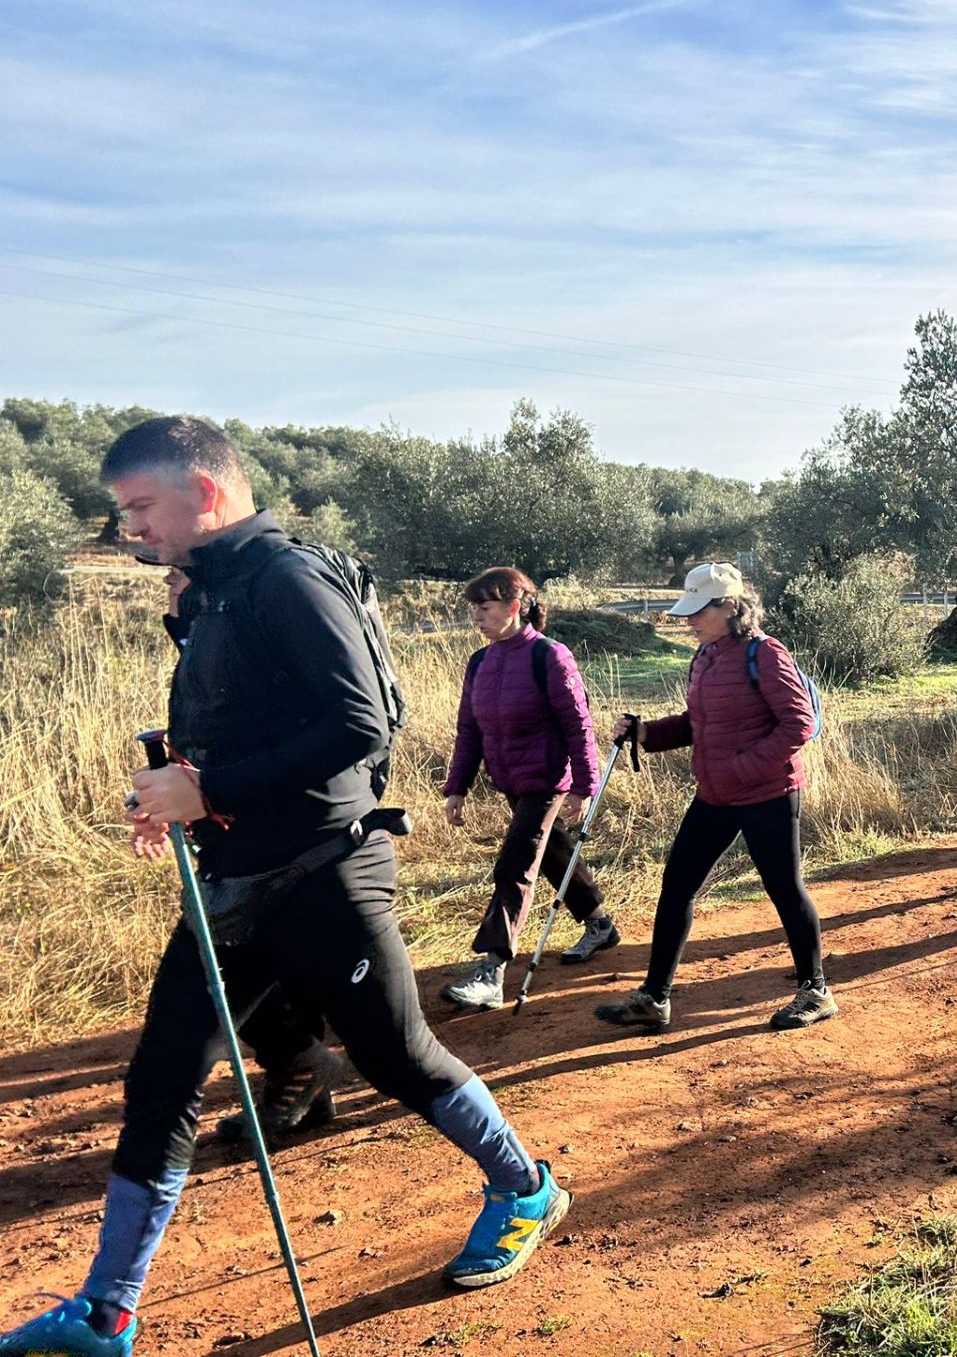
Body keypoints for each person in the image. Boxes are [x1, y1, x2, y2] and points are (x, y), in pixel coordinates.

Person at [3, 419, 568, 1357]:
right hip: (233, 877)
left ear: (205, 490)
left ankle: (525, 1189)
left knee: (397, 1056)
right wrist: (180, 793)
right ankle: (107, 1313)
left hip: (327, 868)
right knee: (164, 1076)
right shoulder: (214, 595)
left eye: (141, 506)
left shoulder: (287, 576)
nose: (132, 529)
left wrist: (210, 788)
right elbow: (249, 726)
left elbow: (361, 723)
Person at [150, 559, 342, 1147]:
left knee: (226, 963)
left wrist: (211, 790)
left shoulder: (249, 626)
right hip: (232, 824)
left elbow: (270, 733)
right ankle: (303, 1079)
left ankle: (304, 1065)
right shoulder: (201, 632)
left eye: (177, 576)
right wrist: (167, 794)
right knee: (259, 960)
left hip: (267, 827)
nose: (167, 583)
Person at [595, 562, 833, 1033]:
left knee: (783, 887)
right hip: (716, 794)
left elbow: (798, 724)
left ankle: (816, 991)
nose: (689, 620)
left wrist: (740, 769)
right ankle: (655, 997)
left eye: (698, 610)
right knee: (677, 884)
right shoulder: (704, 656)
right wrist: (646, 734)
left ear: (729, 606)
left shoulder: (764, 653)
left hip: (768, 792)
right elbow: (698, 722)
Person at [440, 567, 618, 1011]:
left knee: (515, 864)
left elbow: (578, 726)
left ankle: (492, 971)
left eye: (484, 607)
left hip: (546, 780)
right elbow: (469, 730)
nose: (476, 617)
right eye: (473, 609)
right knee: (553, 851)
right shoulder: (480, 662)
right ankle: (599, 923)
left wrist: (584, 786)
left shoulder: (550, 657)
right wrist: (457, 786)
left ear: (514, 607)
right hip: (511, 780)